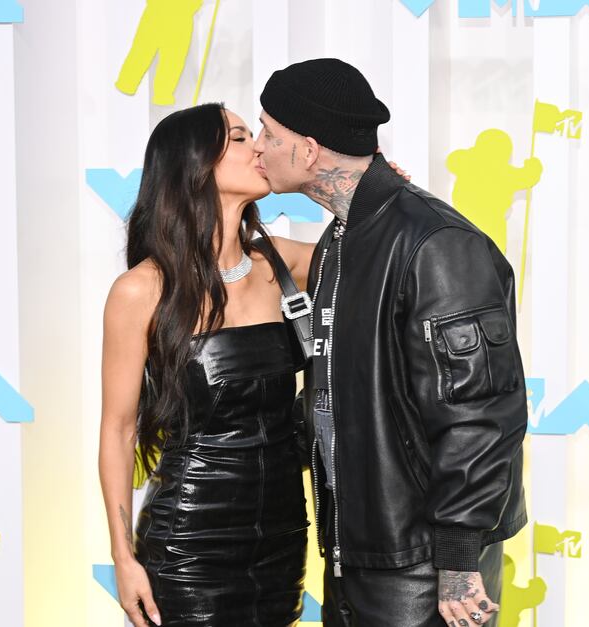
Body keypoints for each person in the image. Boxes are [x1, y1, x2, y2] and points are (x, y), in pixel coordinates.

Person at [254, 58, 528, 627]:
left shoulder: (436, 244)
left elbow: (479, 412)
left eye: (268, 134)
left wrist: (457, 559)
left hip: (424, 569)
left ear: (308, 150)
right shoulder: (339, 241)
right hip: (358, 556)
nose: (258, 148)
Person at [98, 103, 315, 627]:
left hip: (283, 535)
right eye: (239, 137)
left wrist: (372, 185)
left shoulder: (282, 263)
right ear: (195, 164)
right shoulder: (141, 290)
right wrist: (123, 558)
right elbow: (118, 429)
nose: (258, 147)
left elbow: (376, 251)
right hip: (189, 543)